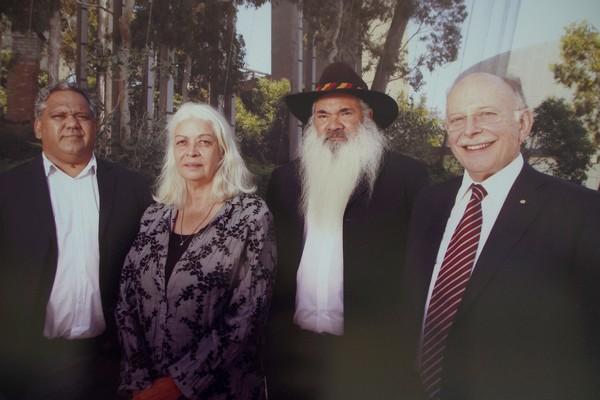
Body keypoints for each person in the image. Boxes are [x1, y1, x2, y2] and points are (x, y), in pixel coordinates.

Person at [402, 72, 600, 400]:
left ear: (523, 123)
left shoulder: (580, 212)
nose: (470, 130)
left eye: (487, 114)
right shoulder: (430, 202)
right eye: (457, 119)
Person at [266, 62, 429, 400]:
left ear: (366, 117)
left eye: (345, 112)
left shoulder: (407, 178)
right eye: (322, 115)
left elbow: (421, 268)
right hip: (298, 352)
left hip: (371, 352)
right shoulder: (284, 181)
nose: (333, 125)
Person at [0, 82, 152, 399]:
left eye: (82, 115)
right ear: (39, 127)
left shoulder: (133, 188)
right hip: (28, 365)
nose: (72, 122)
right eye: (59, 115)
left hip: (109, 364)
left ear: (95, 126)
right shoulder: (8, 190)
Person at [116, 102, 276, 400]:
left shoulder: (251, 216)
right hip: (146, 390)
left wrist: (175, 386)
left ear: (223, 151)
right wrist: (140, 382)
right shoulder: (154, 216)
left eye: (204, 142)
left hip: (222, 390)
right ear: (172, 153)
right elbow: (126, 301)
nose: (192, 151)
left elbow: (247, 316)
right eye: (182, 142)